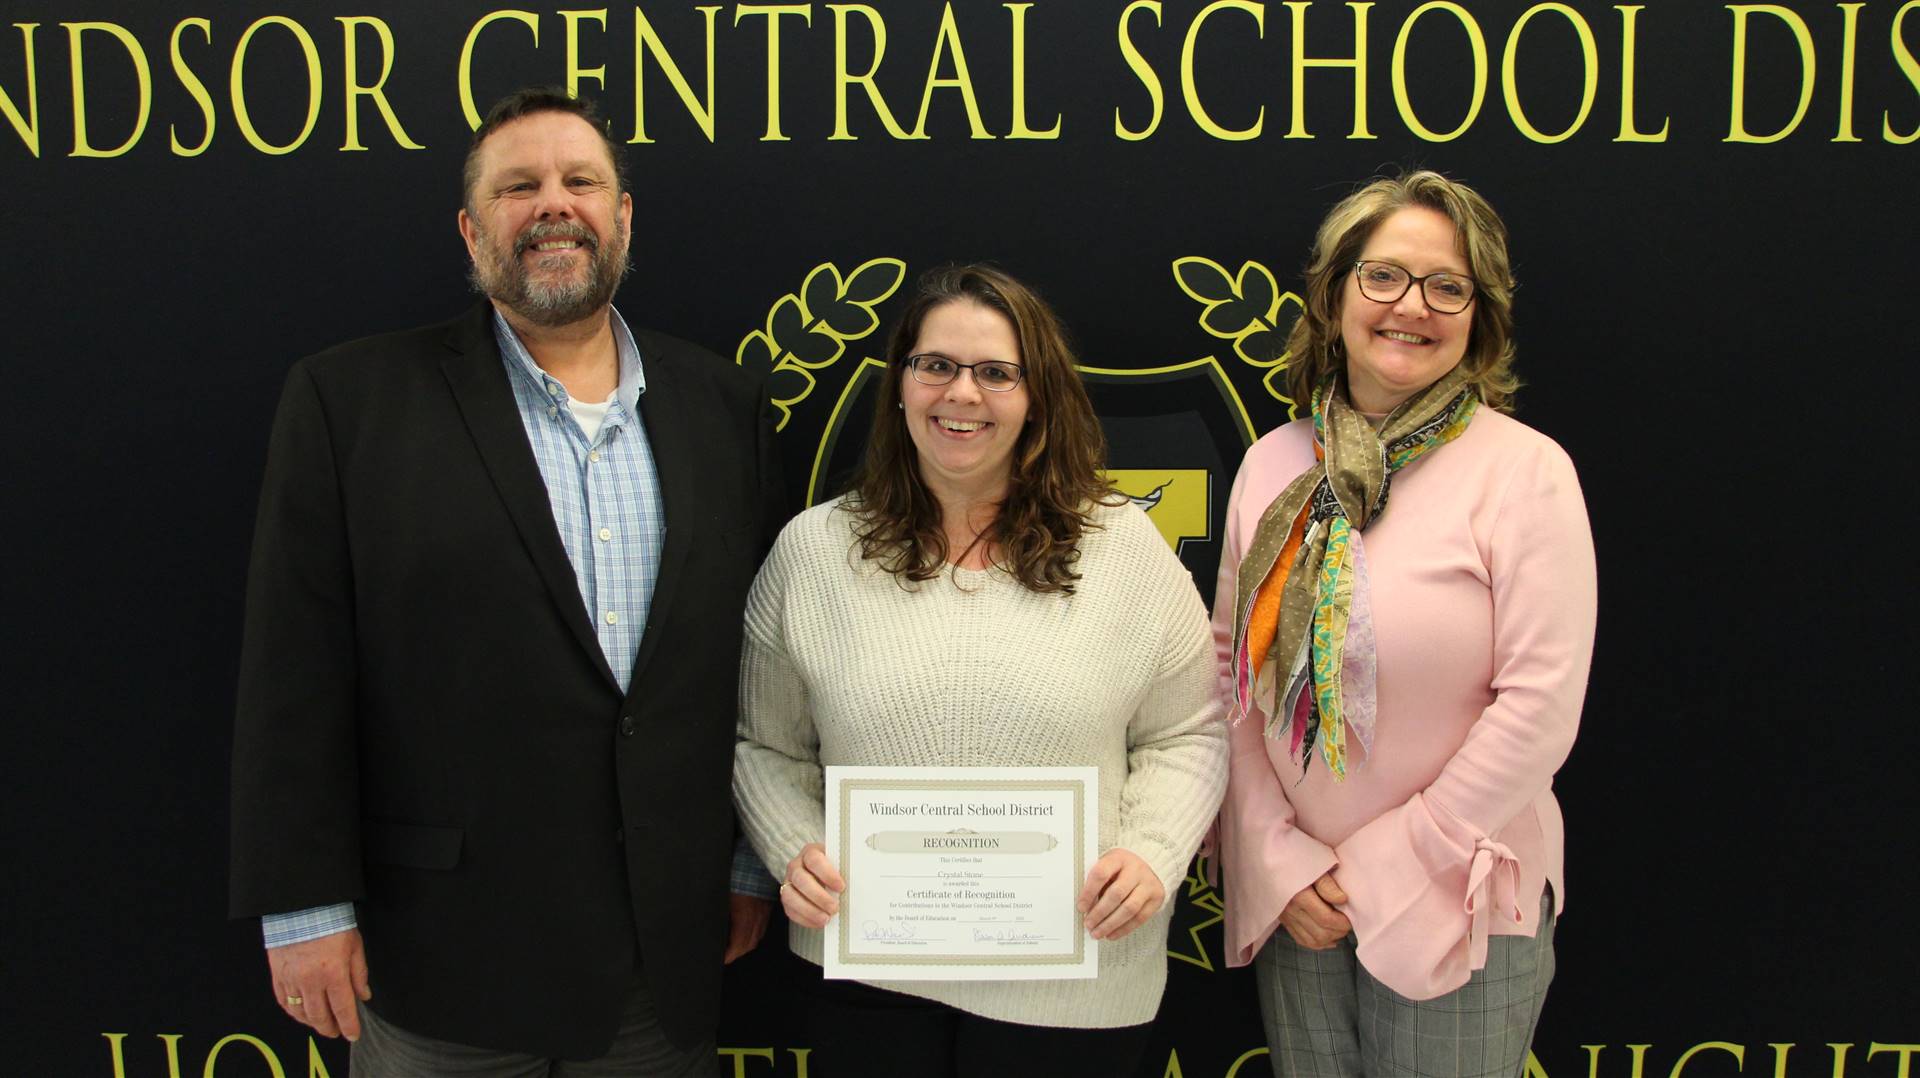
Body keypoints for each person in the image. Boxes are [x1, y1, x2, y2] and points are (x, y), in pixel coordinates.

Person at [229, 88, 783, 1076]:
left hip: (661, 959)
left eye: (581, 181)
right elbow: (294, 667)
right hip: (441, 958)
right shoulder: (349, 401)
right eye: (518, 185)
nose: (552, 204)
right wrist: (305, 906)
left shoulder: (721, 404)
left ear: (622, 215)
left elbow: (755, 665)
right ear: (471, 224)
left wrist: (744, 863)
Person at [732, 264, 1227, 1077]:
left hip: (1077, 980)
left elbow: (1190, 731)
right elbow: (766, 745)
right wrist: (795, 846)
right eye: (937, 366)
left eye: (997, 373)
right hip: (871, 969)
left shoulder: (1124, 550)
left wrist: (1153, 851)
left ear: (1038, 398)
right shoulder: (814, 554)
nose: (962, 394)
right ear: (900, 384)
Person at [1211, 171, 1597, 1078]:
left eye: (1447, 286)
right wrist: (1276, 859)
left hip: (1461, 896)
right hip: (1303, 906)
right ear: (1337, 292)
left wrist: (1387, 864)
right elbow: (1229, 674)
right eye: (1383, 276)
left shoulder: (1525, 472)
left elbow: (1539, 707)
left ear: (1479, 314)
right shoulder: (1275, 466)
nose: (1410, 307)